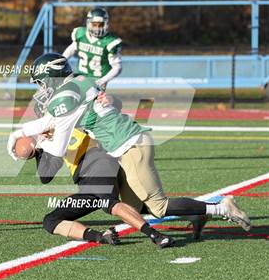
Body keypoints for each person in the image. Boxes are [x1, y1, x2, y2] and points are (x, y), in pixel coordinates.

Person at [7, 53, 251, 235]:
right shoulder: (81, 82)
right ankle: (198, 213)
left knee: (158, 207)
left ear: (52, 77)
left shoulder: (65, 102)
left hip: (127, 148)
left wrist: (29, 141)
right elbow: (97, 104)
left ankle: (221, 207)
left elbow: (55, 151)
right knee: (136, 207)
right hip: (127, 147)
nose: (42, 91)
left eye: (41, 83)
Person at [32, 103, 175, 248]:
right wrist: (38, 152)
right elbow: (46, 176)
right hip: (87, 183)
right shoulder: (52, 136)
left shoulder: (72, 117)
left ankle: (156, 235)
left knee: (110, 203)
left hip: (98, 163)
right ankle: (101, 236)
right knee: (51, 220)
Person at [62, 7, 122, 90]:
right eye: (94, 24)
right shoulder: (80, 34)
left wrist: (102, 81)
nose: (97, 28)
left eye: (100, 24)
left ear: (106, 24)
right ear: (88, 23)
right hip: (80, 77)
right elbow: (71, 50)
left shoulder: (110, 41)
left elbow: (117, 67)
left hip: (98, 81)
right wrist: (61, 62)